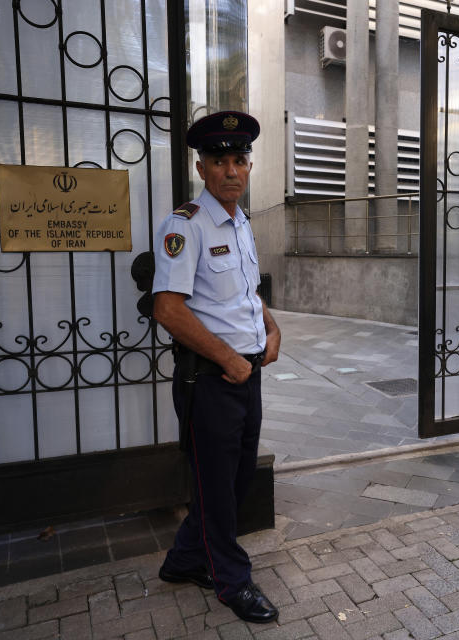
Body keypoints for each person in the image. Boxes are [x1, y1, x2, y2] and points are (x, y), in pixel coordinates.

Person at [151, 110, 281, 624]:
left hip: (246, 375)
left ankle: (184, 560)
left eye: (240, 160)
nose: (232, 171)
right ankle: (232, 581)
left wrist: (271, 328)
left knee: (234, 478)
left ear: (248, 166)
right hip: (211, 379)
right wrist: (228, 358)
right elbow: (168, 308)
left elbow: (245, 294)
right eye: (220, 161)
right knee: (218, 487)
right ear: (201, 169)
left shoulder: (241, 221)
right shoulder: (185, 225)